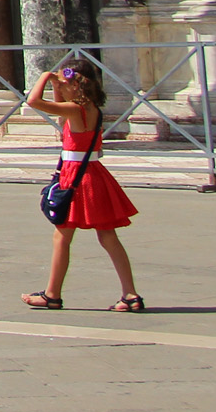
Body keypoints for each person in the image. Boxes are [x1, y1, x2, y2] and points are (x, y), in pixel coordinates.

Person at [22, 63, 144, 313]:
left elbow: (33, 101)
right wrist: (59, 83)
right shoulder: (90, 109)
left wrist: (44, 76)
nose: (62, 89)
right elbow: (60, 113)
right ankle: (130, 294)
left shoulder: (75, 109)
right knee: (108, 236)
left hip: (77, 177)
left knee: (62, 236)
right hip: (93, 174)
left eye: (66, 84)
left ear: (77, 85)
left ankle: (52, 294)